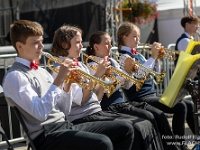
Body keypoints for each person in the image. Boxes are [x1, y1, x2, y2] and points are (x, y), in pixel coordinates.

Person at [2, 20, 135, 150]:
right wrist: (59, 79)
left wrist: (68, 85)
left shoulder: (41, 71)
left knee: (125, 129)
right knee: (102, 143)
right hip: (45, 135)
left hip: (64, 125)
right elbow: (40, 113)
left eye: (41, 42)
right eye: (35, 43)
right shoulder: (15, 76)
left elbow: (64, 110)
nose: (41, 47)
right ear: (19, 46)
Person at [51, 24, 164, 150]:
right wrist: (99, 75)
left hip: (96, 111)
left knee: (145, 123)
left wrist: (102, 78)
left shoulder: (81, 66)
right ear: (65, 45)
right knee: (134, 127)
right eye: (77, 42)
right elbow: (81, 99)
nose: (82, 46)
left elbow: (97, 98)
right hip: (83, 118)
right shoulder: (59, 70)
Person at [85, 30, 182, 150]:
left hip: (121, 103)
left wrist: (130, 71)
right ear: (96, 46)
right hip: (108, 106)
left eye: (110, 43)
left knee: (152, 116)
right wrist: (125, 71)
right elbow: (107, 88)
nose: (111, 46)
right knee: (142, 123)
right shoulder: (91, 64)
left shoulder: (113, 61)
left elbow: (127, 85)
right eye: (107, 43)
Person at [117, 21, 195, 150]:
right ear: (124, 37)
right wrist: (152, 56)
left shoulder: (138, 54)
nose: (138, 39)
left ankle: (195, 138)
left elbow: (155, 73)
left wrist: (156, 59)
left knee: (188, 104)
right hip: (140, 98)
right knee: (180, 106)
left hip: (151, 94)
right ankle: (179, 144)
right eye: (134, 36)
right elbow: (140, 76)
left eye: (138, 36)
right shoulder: (123, 57)